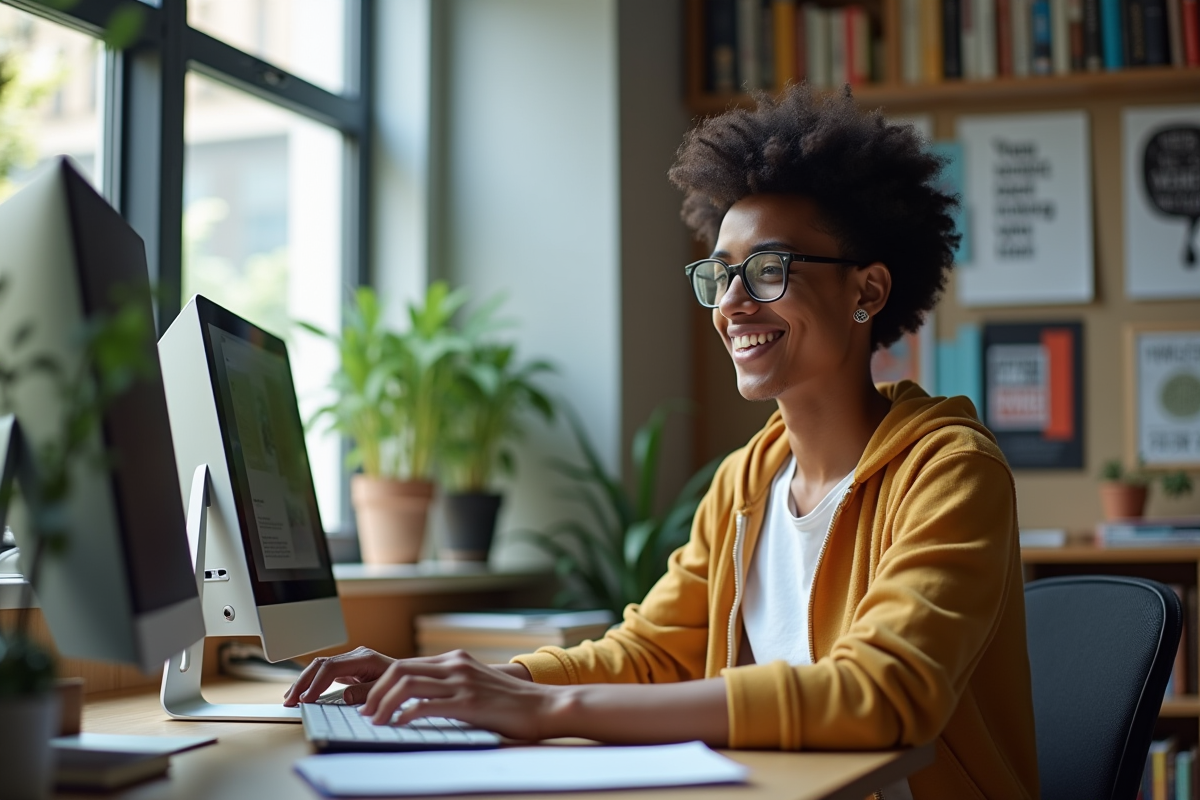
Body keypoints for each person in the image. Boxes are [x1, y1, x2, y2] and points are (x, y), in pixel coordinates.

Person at [284, 85, 1039, 800]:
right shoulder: (748, 482)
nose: (733, 301)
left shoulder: (950, 472)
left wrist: (552, 713)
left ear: (867, 292)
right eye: (719, 273)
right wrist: (470, 682)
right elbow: (647, 655)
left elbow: (881, 693)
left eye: (768, 269)